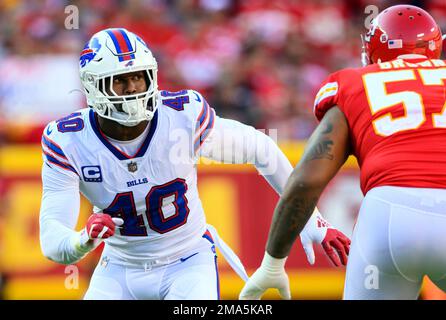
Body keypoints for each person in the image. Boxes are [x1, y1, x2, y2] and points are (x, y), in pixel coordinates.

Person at [39, 28, 350, 300]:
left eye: (138, 76)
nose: (133, 88)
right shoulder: (68, 141)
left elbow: (261, 149)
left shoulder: (181, 117)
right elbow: (52, 239)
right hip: (119, 267)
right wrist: (84, 240)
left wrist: (312, 221)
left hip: (186, 261)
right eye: (120, 81)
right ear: (94, 86)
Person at [240, 4, 446, 300]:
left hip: (388, 216)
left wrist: (273, 262)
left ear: (375, 49)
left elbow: (306, 181)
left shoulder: (354, 83)